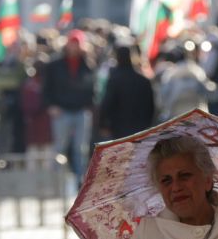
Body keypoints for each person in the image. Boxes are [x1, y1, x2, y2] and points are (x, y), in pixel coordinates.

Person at [42, 30, 96, 181]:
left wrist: (89, 104)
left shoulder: (88, 64)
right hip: (61, 111)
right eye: (72, 43)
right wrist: (51, 105)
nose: (74, 47)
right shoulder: (55, 65)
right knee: (59, 147)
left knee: (81, 149)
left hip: (81, 111)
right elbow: (47, 88)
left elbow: (92, 87)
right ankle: (55, 180)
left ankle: (81, 181)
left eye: (77, 44)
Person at [95, 45, 155, 141]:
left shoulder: (114, 79)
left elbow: (107, 103)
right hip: (140, 129)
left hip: (119, 129)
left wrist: (103, 124)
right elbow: (151, 107)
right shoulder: (143, 81)